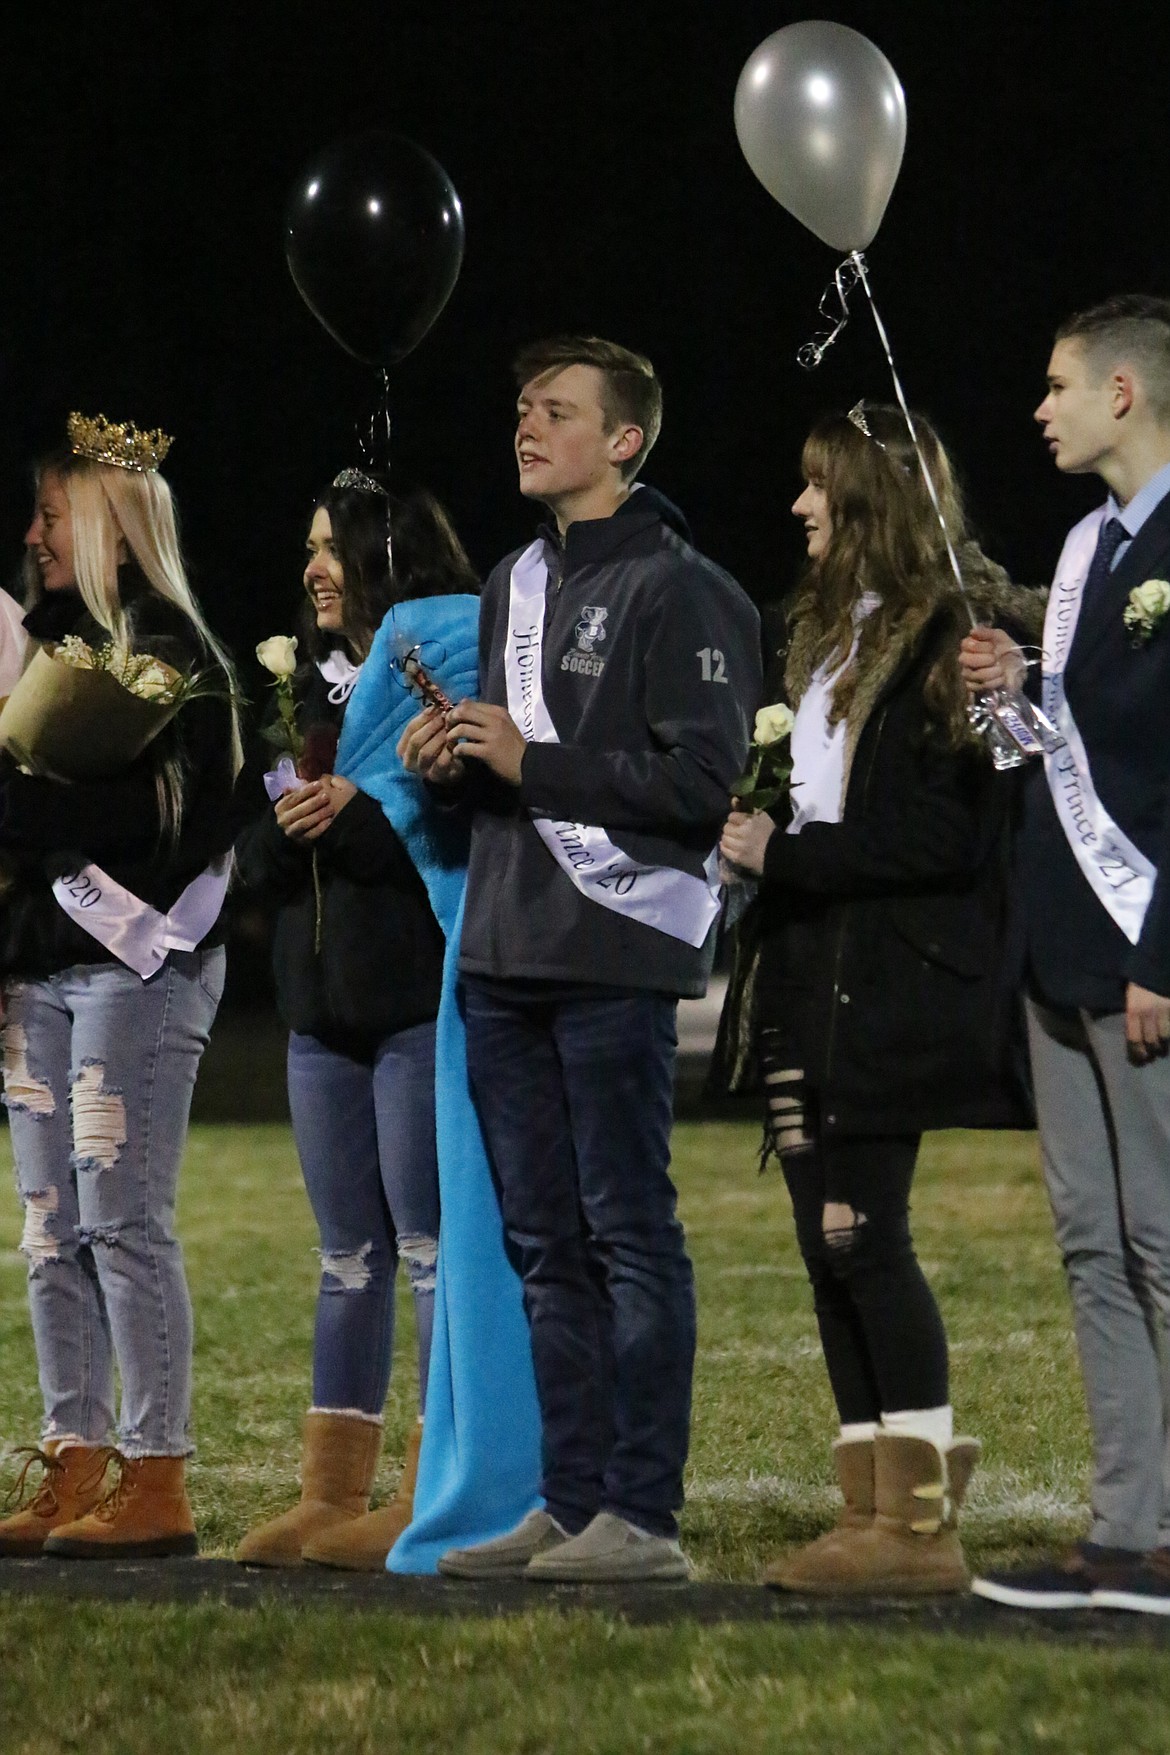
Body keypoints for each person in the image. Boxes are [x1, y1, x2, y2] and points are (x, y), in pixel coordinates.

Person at [399, 334, 761, 1582]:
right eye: (520, 407)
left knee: (625, 1232)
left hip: (611, 955)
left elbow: (705, 784)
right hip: (505, 949)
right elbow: (506, 775)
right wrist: (447, 766)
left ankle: (644, 1519)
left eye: (557, 410)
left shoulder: (687, 589)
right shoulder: (512, 579)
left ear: (625, 440)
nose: (527, 425)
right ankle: (569, 1501)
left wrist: (529, 761)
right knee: (542, 1244)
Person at [719, 403, 1035, 1596]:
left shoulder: (955, 631)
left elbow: (944, 838)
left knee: (864, 1235)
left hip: (888, 981)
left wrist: (783, 855)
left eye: (822, 489)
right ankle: (868, 1508)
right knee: (822, 1246)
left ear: (873, 503)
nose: (799, 508)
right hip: (804, 974)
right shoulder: (809, 634)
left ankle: (916, 1533)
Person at [961, 295, 1170, 1616]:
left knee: (1163, 1237)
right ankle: (1122, 1522)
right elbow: (1059, 755)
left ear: (1123, 394)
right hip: (1058, 943)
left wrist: (1163, 950)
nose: (1038, 407)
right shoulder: (1088, 547)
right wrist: (1007, 692)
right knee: (1092, 1244)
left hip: (1144, 951)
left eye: (1055, 385)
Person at [0, 412, 241, 1559]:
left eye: (52, 513)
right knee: (50, 1230)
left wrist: (39, 814)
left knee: (121, 1221)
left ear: (101, 521)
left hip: (133, 969)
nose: (36, 535)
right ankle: (76, 1457)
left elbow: (168, 829)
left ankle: (157, 1478)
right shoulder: (48, 643)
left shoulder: (175, 649)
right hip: (39, 971)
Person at [233, 473, 478, 1571]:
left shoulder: (434, 677)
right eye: (309, 546)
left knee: (428, 1254)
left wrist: (368, 812)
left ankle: (435, 1489)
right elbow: (249, 861)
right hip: (318, 1020)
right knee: (346, 1259)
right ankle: (330, 1495)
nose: (313, 567)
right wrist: (293, 827)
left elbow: (454, 836)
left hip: (412, 1008)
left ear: (392, 558)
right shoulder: (299, 691)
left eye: (333, 548)